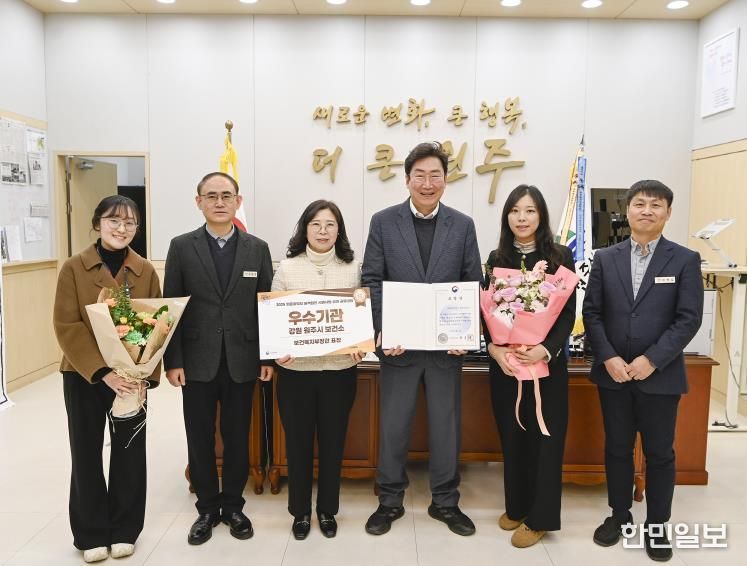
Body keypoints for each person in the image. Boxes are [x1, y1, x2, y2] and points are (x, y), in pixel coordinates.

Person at [361, 141, 483, 537]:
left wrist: (467, 333)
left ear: (445, 180)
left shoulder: (462, 225)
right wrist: (383, 329)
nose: (427, 183)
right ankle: (389, 500)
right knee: (394, 426)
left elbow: (472, 281)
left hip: (446, 347)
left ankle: (445, 501)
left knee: (446, 427)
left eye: (435, 175)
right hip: (399, 346)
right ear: (407, 179)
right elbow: (372, 279)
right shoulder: (383, 222)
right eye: (420, 175)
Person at [583, 180, 703, 562]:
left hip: (661, 376)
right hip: (614, 374)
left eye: (655, 204)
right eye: (639, 203)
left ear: (668, 212)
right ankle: (619, 515)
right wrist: (608, 357)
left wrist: (651, 360)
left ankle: (657, 525)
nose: (646, 210)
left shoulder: (684, 260)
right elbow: (592, 313)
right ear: (627, 210)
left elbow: (688, 319)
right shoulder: (605, 258)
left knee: (660, 453)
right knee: (617, 448)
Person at [163, 172, 273, 545]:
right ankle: (207, 508)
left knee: (238, 436)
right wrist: (173, 361)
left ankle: (233, 506)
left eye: (227, 195)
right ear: (199, 202)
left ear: (238, 201)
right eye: (211, 196)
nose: (219, 202)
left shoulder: (257, 248)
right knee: (199, 437)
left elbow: (266, 307)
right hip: (195, 362)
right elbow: (171, 307)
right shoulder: (181, 247)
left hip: (243, 359)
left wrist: (267, 357)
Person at [53, 195, 161, 563]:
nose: (122, 228)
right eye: (114, 220)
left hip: (132, 377)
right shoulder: (74, 267)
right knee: (85, 452)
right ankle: (91, 533)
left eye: (130, 222)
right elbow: (67, 325)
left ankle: (125, 529)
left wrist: (144, 374)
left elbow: (157, 325)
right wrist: (104, 373)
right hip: (84, 374)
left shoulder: (145, 270)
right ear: (98, 223)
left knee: (130, 453)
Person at [483, 185, 575, 548]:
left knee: (544, 441)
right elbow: (486, 310)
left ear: (541, 215)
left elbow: (567, 314)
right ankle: (517, 506)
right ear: (506, 216)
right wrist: (494, 350)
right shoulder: (496, 257)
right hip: (506, 366)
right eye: (515, 211)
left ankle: (540, 518)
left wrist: (544, 349)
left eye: (530, 211)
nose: (522, 218)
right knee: (513, 437)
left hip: (544, 368)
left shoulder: (559, 256)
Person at [272, 200, 363, 540]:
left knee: (333, 443)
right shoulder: (287, 268)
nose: (323, 231)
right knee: (297, 444)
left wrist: (360, 345)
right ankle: (300, 512)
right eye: (316, 224)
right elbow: (273, 319)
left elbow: (361, 315)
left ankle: (327, 510)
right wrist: (276, 352)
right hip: (296, 374)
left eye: (330, 224)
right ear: (305, 229)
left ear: (339, 230)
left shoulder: (353, 268)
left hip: (339, 372)